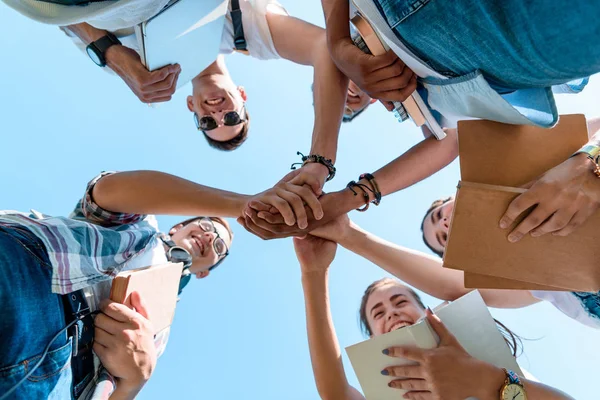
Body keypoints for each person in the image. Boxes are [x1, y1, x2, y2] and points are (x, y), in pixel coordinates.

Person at [241, 1, 600, 242]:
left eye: (341, 98)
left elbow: (330, 51)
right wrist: (350, 198)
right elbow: (451, 143)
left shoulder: (349, 31)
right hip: (517, 53)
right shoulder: (433, 113)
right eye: (354, 108)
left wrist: (338, 46)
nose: (348, 97)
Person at [0, 168, 325, 400]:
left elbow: (112, 388)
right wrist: (243, 204)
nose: (210, 236)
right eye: (206, 224)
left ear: (204, 272)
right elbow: (105, 192)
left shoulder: (161, 331)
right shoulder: (140, 222)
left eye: (219, 247)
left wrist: (135, 382)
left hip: (62, 382)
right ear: (178, 226)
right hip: (28, 274)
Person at [294, 228, 576, 399]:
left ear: (425, 310)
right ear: (372, 337)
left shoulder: (481, 353)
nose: (391, 312)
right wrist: (314, 272)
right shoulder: (392, 391)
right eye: (378, 313)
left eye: (400, 301)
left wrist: (484, 381)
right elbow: (335, 393)